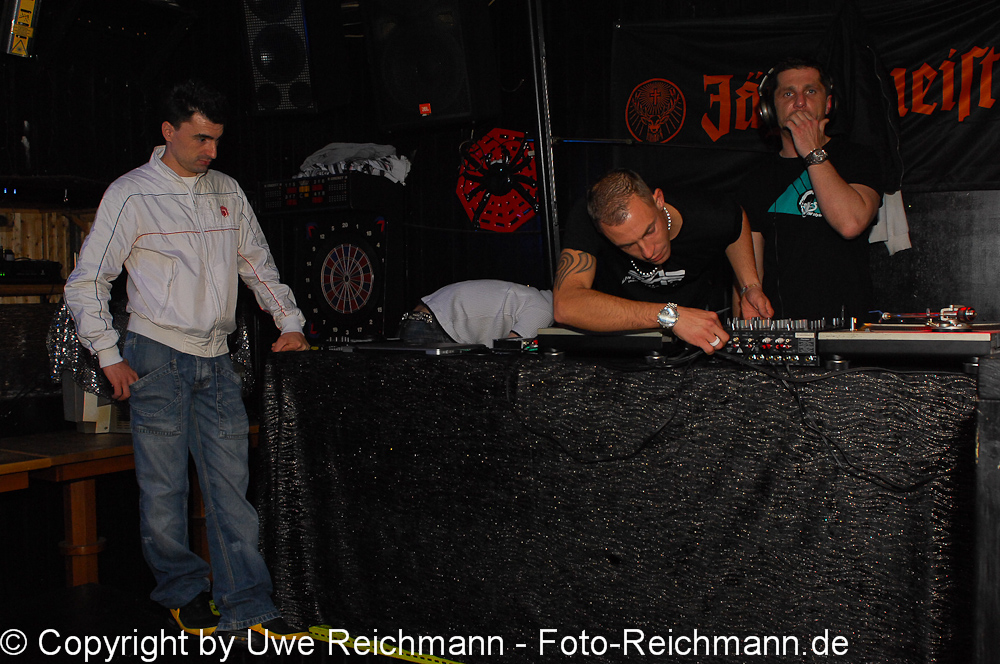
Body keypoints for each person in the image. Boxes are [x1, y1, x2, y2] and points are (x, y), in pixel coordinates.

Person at [64, 79, 310, 645]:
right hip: (155, 353)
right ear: (168, 131)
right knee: (164, 489)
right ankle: (182, 592)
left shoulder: (227, 189)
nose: (212, 151)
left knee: (231, 489)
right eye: (201, 139)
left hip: (217, 356)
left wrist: (290, 323)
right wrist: (108, 353)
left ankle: (247, 603)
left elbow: (257, 263)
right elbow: (87, 280)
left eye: (217, 139)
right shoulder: (131, 193)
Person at [553, 168, 772, 354]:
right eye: (627, 245)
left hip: (692, 344)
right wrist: (670, 316)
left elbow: (735, 221)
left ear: (658, 201)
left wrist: (749, 285)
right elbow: (565, 306)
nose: (648, 252)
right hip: (619, 346)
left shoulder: (706, 212)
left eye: (650, 231)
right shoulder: (590, 219)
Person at [739, 56, 884, 322]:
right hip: (781, 328)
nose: (799, 102)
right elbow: (749, 271)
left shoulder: (858, 159)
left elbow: (850, 223)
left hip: (847, 329)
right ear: (770, 109)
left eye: (810, 91)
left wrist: (811, 150)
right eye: (788, 93)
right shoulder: (756, 178)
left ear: (828, 104)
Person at [398, 279, 553, 347]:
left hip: (422, 319)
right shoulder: (545, 309)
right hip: (435, 326)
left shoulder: (531, 296)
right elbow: (509, 349)